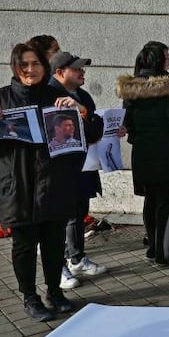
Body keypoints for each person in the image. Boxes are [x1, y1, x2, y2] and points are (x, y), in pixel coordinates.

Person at [0, 43, 85, 321]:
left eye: (35, 64)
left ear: (45, 66)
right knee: (24, 245)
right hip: (17, 185)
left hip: (53, 183)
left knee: (54, 243)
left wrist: (78, 111)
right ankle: (30, 297)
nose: (30, 70)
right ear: (15, 67)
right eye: (23, 65)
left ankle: (55, 292)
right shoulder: (0, 98)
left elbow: (88, 134)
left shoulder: (58, 97)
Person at [116, 41, 169, 265]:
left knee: (151, 201)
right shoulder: (168, 89)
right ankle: (164, 252)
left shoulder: (131, 90)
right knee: (166, 203)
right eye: (167, 58)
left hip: (142, 154)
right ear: (159, 61)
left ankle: (153, 247)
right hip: (168, 156)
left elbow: (127, 122)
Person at [49, 51, 108, 289]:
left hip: (83, 164)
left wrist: (81, 110)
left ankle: (76, 257)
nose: (83, 72)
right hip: (58, 169)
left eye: (83, 68)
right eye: (77, 69)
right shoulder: (48, 96)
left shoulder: (82, 96)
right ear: (59, 72)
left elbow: (94, 130)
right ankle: (58, 265)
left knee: (79, 211)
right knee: (59, 217)